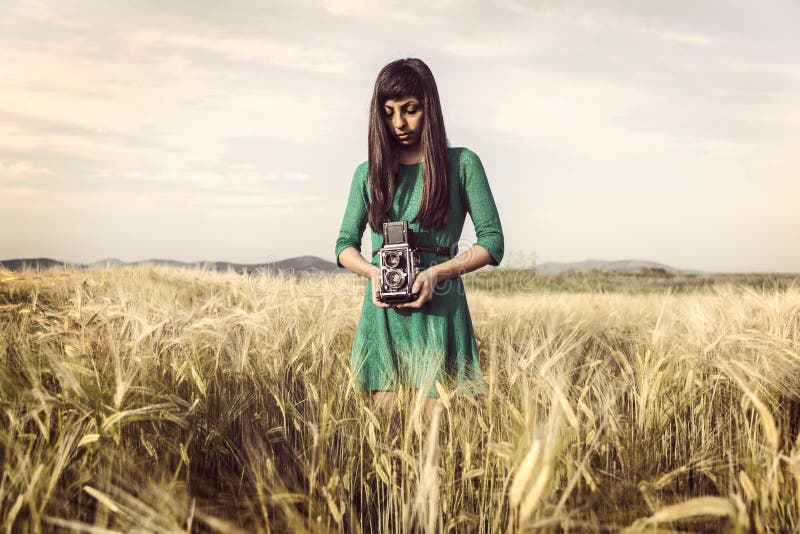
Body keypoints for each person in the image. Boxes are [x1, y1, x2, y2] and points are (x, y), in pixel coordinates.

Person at [335, 58, 504, 415]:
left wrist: (437, 273)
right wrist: (374, 273)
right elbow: (343, 246)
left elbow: (492, 240)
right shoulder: (366, 174)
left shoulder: (462, 164)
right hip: (382, 316)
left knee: (442, 445)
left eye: (410, 110)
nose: (399, 123)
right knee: (388, 445)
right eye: (389, 112)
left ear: (430, 107)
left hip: (441, 307)